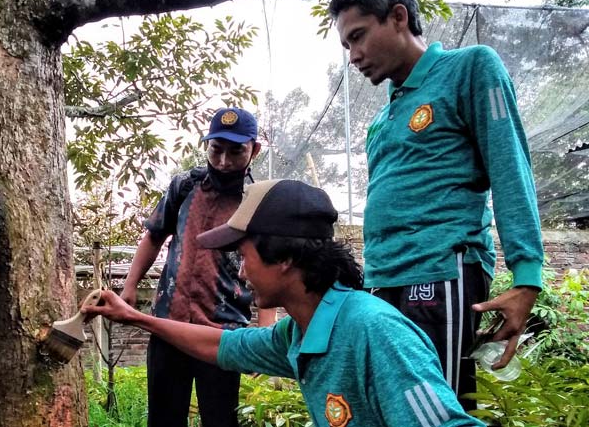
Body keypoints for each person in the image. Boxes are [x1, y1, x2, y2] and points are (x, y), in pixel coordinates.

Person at [86, 179, 486, 427]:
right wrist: (135, 317)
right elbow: (222, 344)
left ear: (285, 258)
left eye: (244, 257)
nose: (242, 273)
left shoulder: (375, 332)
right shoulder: (297, 334)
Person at [330, 0, 544, 409]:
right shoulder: (383, 118)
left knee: (434, 409)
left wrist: (527, 278)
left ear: (398, 16)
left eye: (358, 36)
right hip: (382, 280)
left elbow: (509, 166)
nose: (353, 56)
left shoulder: (471, 68)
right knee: (391, 406)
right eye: (346, 45)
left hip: (439, 271)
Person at [119, 107, 276, 427]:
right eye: (216, 149)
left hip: (222, 336)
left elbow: (266, 268)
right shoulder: (184, 186)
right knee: (163, 419)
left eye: (236, 151)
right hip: (169, 326)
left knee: (220, 420)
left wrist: (264, 333)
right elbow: (154, 235)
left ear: (254, 150)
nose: (223, 161)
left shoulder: (257, 202)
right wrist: (130, 286)